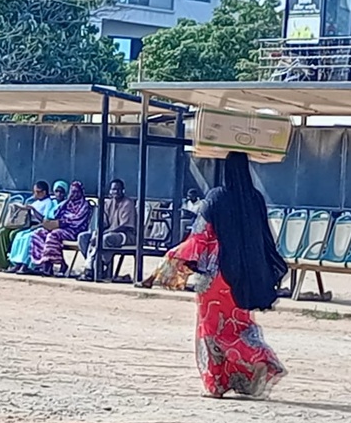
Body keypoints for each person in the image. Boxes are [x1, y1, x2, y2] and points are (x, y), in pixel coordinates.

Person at [153, 152, 288, 399]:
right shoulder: (255, 198)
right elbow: (264, 238)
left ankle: (216, 384)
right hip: (244, 278)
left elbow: (200, 236)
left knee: (211, 330)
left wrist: (173, 259)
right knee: (240, 326)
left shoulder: (216, 197)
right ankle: (257, 360)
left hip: (216, 277)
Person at [77, 179, 137, 282]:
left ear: (123, 190)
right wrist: (98, 231)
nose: (116, 192)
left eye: (118, 189)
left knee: (105, 238)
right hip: (108, 232)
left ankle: (97, 268)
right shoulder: (108, 203)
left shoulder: (128, 203)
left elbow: (125, 226)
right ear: (110, 191)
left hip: (126, 235)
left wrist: (104, 233)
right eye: (113, 189)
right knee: (83, 237)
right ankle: (94, 267)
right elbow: (103, 223)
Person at [0, 180, 59, 272]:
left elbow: (45, 220)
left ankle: (19, 263)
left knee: (15, 235)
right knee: (3, 232)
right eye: (34, 191)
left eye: (38, 192)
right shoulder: (35, 202)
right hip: (26, 224)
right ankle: (1, 263)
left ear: (44, 192)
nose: (35, 194)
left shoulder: (48, 203)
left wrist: (33, 210)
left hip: (37, 226)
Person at [28, 181, 92, 277]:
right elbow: (56, 214)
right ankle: (42, 264)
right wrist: (65, 202)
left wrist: (62, 222)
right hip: (61, 227)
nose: (74, 194)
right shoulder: (67, 203)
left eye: (76, 192)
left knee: (53, 235)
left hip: (74, 230)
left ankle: (56, 264)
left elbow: (77, 220)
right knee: (39, 233)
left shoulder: (84, 205)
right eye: (72, 192)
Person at [6, 181, 67, 273]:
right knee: (19, 235)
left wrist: (34, 211)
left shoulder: (61, 204)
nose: (59, 194)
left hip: (50, 228)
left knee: (29, 237)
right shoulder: (53, 202)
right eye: (56, 191)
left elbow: (45, 220)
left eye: (61, 191)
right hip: (40, 226)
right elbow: (46, 218)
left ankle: (26, 264)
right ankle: (16, 263)